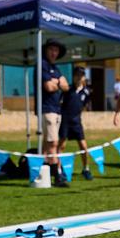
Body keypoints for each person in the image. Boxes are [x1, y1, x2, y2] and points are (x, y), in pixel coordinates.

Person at [38, 40, 68, 186]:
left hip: (57, 110)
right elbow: (48, 87)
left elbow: (66, 86)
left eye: (56, 50)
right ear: (46, 50)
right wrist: (58, 83)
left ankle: (44, 173)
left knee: (48, 144)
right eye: (51, 49)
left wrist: (56, 82)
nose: (53, 53)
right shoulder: (42, 65)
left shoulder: (56, 68)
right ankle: (57, 176)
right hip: (47, 109)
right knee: (53, 143)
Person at [63, 66, 93, 180]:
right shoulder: (67, 89)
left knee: (83, 146)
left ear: (84, 77)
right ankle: (59, 170)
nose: (79, 77)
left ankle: (86, 169)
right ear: (73, 76)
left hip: (76, 122)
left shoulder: (86, 92)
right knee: (61, 145)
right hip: (65, 121)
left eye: (81, 75)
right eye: (77, 75)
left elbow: (84, 105)